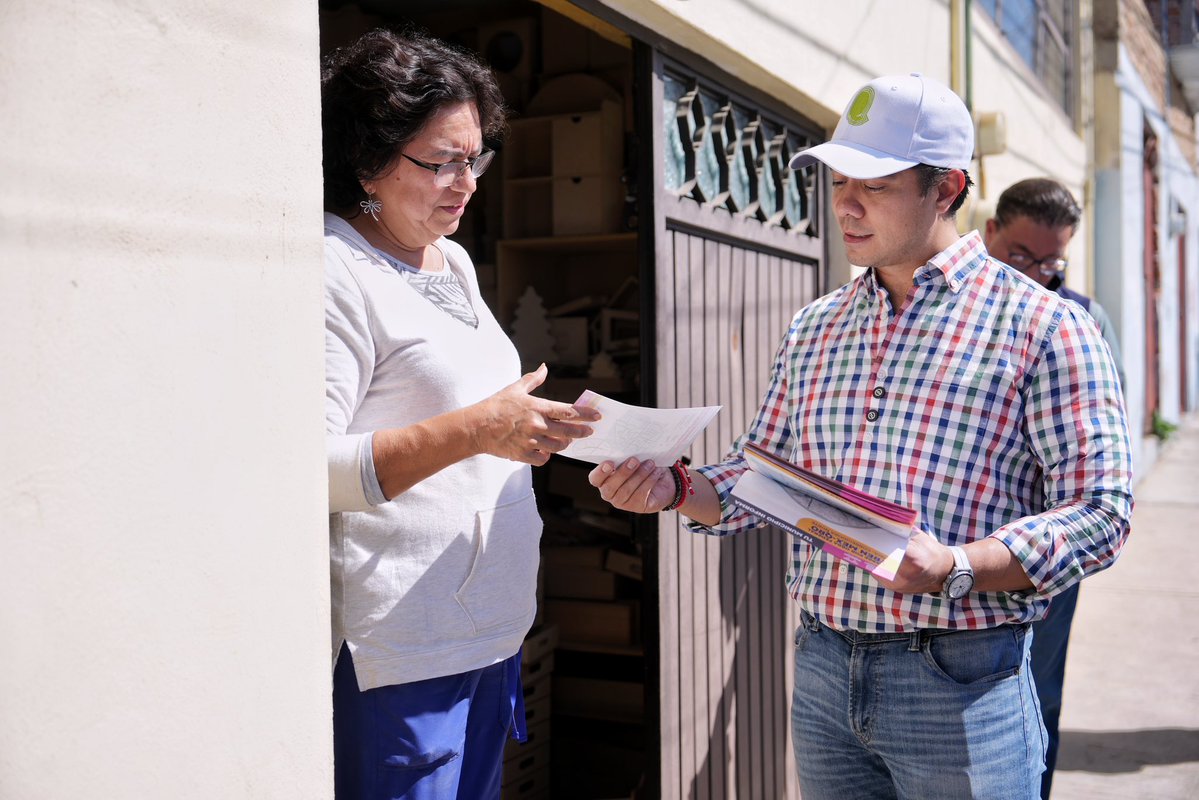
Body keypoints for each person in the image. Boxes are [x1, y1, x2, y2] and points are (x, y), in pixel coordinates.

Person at [589, 73, 1132, 799]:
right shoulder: (816, 326)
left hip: (961, 683)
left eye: (873, 184)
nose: (844, 204)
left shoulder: (1044, 326)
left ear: (946, 190)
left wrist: (954, 565)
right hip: (821, 667)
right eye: (839, 180)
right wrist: (675, 487)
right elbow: (764, 483)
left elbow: (1101, 511)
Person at [321, 29, 598, 800]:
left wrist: (525, 430)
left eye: (474, 158)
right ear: (367, 158)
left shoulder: (456, 261)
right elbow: (312, 469)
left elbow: (473, 423)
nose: (466, 182)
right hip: (403, 648)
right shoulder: (336, 268)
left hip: (489, 629)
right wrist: (478, 428)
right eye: (440, 161)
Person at [985, 177, 1127, 799]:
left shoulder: (1081, 321)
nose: (1039, 274)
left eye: (1052, 261)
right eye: (1021, 255)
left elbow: (1106, 455)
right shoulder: (947, 309)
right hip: (953, 548)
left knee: (1036, 691)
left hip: (1042, 557)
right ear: (989, 233)